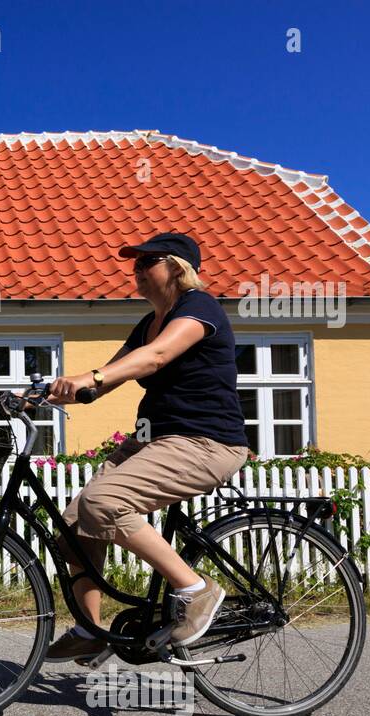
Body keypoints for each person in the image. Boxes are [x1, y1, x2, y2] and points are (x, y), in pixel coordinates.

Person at [41, 232, 251, 662]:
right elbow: (113, 374)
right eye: (133, 264)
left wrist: (92, 379)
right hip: (155, 440)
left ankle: (196, 590)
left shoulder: (199, 308)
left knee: (103, 501)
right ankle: (90, 627)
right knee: (74, 524)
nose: (135, 271)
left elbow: (156, 358)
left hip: (206, 442)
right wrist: (48, 391)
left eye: (146, 262)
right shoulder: (147, 323)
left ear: (177, 267)